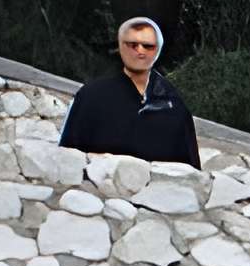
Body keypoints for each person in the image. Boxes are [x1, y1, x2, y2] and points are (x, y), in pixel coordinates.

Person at [59, 16, 199, 166]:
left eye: (148, 46)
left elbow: (191, 173)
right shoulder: (91, 96)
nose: (140, 51)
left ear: (157, 50)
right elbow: (67, 158)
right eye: (132, 45)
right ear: (120, 46)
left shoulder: (174, 106)